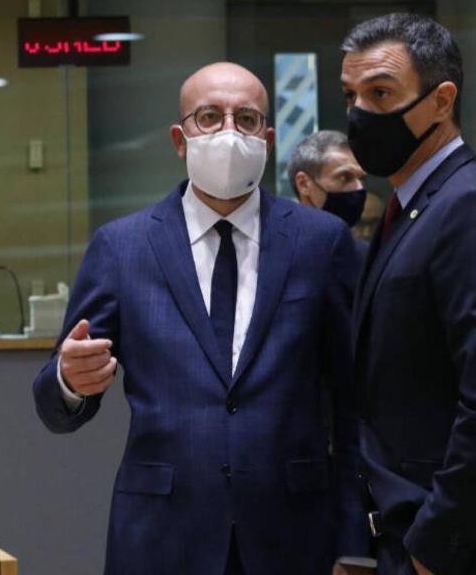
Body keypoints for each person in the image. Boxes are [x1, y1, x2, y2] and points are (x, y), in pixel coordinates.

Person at [31, 62, 366, 574]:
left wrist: (355, 542)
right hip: (161, 536)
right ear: (179, 138)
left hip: (295, 536)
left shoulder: (321, 243)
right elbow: (53, 403)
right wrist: (69, 380)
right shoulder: (123, 247)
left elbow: (353, 403)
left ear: (269, 138)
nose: (230, 132)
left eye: (247, 119)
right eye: (209, 117)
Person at [341, 15, 476, 575]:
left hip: (461, 550)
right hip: (404, 532)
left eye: (380, 93)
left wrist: (433, 547)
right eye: (351, 95)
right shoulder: (413, 205)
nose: (359, 113)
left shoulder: (473, 208)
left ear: (441, 100)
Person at [288, 130, 369, 260]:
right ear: (304, 184)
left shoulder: (367, 257)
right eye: (345, 177)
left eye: (362, 179)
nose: (359, 188)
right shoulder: (274, 252)